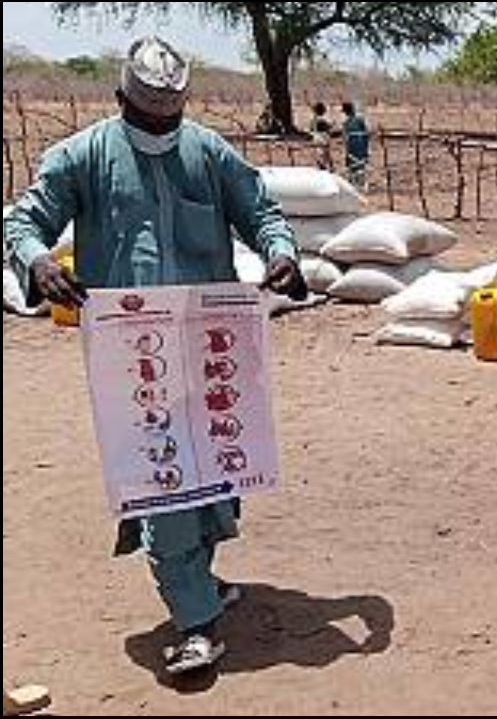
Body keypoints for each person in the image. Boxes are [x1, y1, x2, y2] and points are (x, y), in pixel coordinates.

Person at [3, 36, 307, 677]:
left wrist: (281, 252)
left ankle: (201, 575)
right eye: (146, 120)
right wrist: (37, 263)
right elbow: (23, 223)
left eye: (169, 119)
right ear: (121, 102)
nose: (159, 131)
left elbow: (262, 212)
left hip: (209, 345)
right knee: (163, 480)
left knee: (217, 475)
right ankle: (197, 623)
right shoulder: (82, 156)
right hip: (130, 360)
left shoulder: (207, 153)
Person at [341, 101, 371, 191]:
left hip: (352, 145)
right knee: (361, 163)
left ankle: (354, 183)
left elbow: (345, 137)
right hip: (361, 144)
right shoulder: (359, 120)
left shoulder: (346, 123)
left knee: (353, 164)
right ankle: (361, 183)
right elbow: (366, 133)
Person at [309, 102, 335, 171]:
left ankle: (324, 166)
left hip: (317, 138)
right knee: (325, 154)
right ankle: (328, 168)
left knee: (321, 154)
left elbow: (311, 129)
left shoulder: (314, 120)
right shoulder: (321, 120)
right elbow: (327, 128)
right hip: (323, 138)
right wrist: (332, 125)